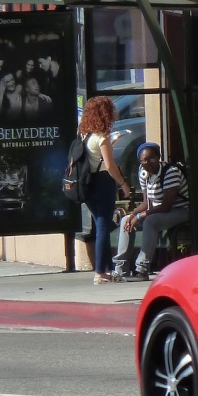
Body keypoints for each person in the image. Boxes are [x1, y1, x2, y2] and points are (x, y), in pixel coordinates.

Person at [111, 142, 189, 283]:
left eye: (151, 159)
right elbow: (147, 202)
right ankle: (120, 269)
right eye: (143, 160)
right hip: (158, 211)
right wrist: (133, 214)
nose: (148, 163)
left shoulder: (170, 172)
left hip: (180, 210)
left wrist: (140, 216)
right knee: (125, 220)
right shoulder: (144, 172)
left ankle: (142, 269)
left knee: (150, 221)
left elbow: (165, 206)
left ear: (158, 157)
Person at [78, 95, 131, 285]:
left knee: (101, 224)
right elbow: (110, 166)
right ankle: (101, 272)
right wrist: (123, 184)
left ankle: (106, 271)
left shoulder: (85, 135)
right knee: (103, 226)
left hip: (88, 184)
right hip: (103, 183)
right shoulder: (102, 137)